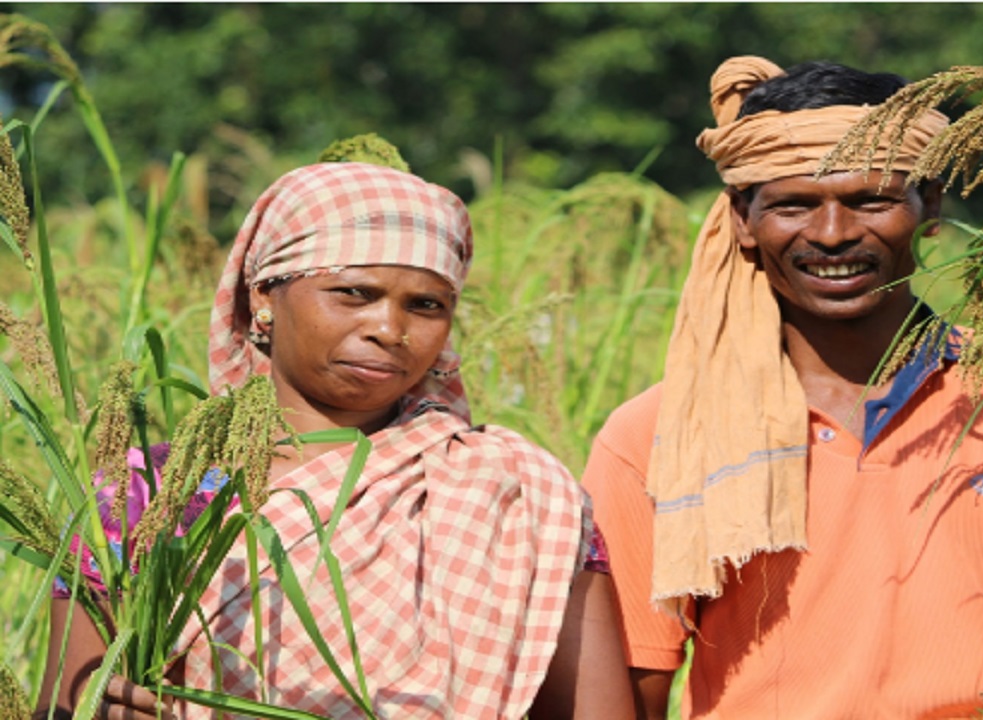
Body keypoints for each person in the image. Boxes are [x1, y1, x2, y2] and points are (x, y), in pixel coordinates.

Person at [580, 57, 983, 719]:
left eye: (870, 199)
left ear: (930, 204)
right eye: (793, 205)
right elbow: (626, 696)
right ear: (742, 219)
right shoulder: (659, 435)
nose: (833, 235)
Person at [34, 162, 635, 719]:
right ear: (264, 296)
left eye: (425, 305)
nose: (389, 330)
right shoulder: (157, 492)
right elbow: (66, 699)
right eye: (354, 293)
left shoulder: (515, 492)